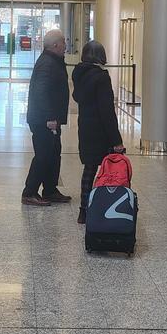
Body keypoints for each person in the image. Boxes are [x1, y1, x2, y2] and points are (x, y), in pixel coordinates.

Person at [71, 40, 125, 224]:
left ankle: (83, 211)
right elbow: (107, 110)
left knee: (89, 169)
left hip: (85, 127)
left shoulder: (78, 73)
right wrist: (116, 139)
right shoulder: (101, 77)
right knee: (110, 170)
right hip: (101, 130)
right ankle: (107, 207)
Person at [22, 28, 72, 206]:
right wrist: (50, 117)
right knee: (43, 155)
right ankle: (29, 192)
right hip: (43, 120)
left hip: (50, 119)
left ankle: (50, 190)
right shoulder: (47, 63)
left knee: (54, 153)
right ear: (56, 45)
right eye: (64, 43)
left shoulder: (54, 61)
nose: (66, 46)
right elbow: (41, 92)